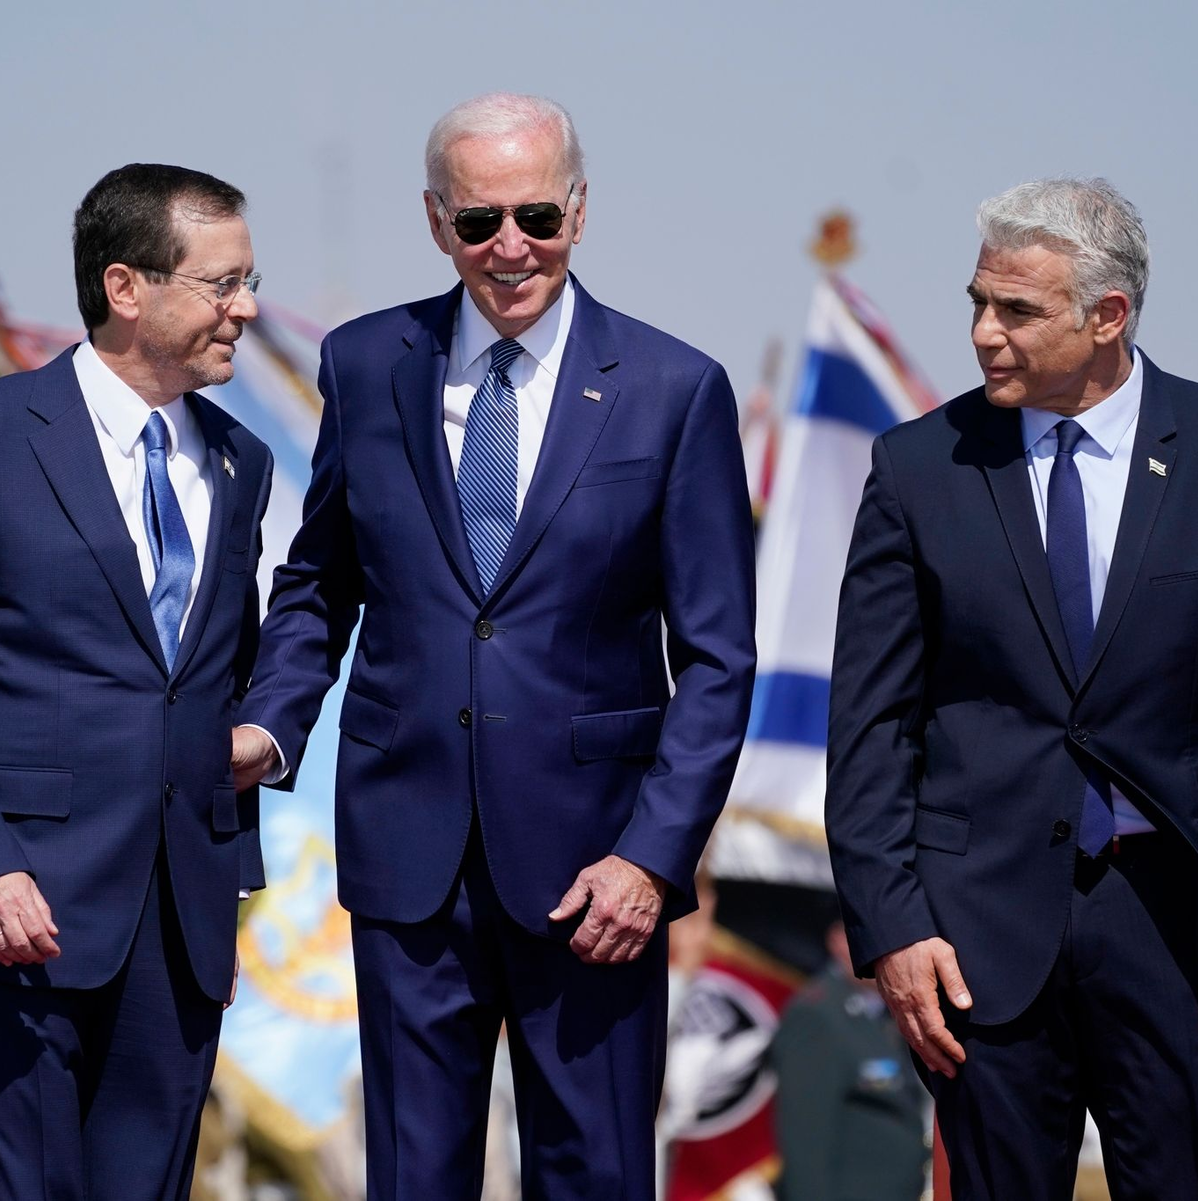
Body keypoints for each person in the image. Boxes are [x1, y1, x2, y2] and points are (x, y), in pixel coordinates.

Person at [232, 91, 756, 1199]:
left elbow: (717, 659)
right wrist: (270, 726)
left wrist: (654, 857)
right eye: (479, 223)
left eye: (536, 217)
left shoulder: (675, 389)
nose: (510, 247)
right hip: (406, 861)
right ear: (436, 221)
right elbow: (320, 581)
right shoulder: (369, 364)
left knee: (596, 1172)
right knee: (413, 1177)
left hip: (596, 874)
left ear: (578, 209)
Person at [825, 176, 1198, 1199]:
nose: (986, 332)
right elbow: (870, 726)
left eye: (1018, 310)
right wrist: (893, 926)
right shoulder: (918, 469)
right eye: (978, 303)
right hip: (975, 944)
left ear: (1109, 316)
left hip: (1175, 935)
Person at [0, 163, 273, 1200]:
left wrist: (226, 888)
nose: (245, 307)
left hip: (178, 935)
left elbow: (219, 677)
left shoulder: (243, 464)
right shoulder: (7, 434)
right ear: (126, 288)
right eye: (221, 282)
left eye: (251, 279)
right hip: (25, 913)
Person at [770, 920, 927, 1201]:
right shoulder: (818, 1015)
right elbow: (806, 1142)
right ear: (837, 940)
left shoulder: (887, 1015)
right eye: (861, 930)